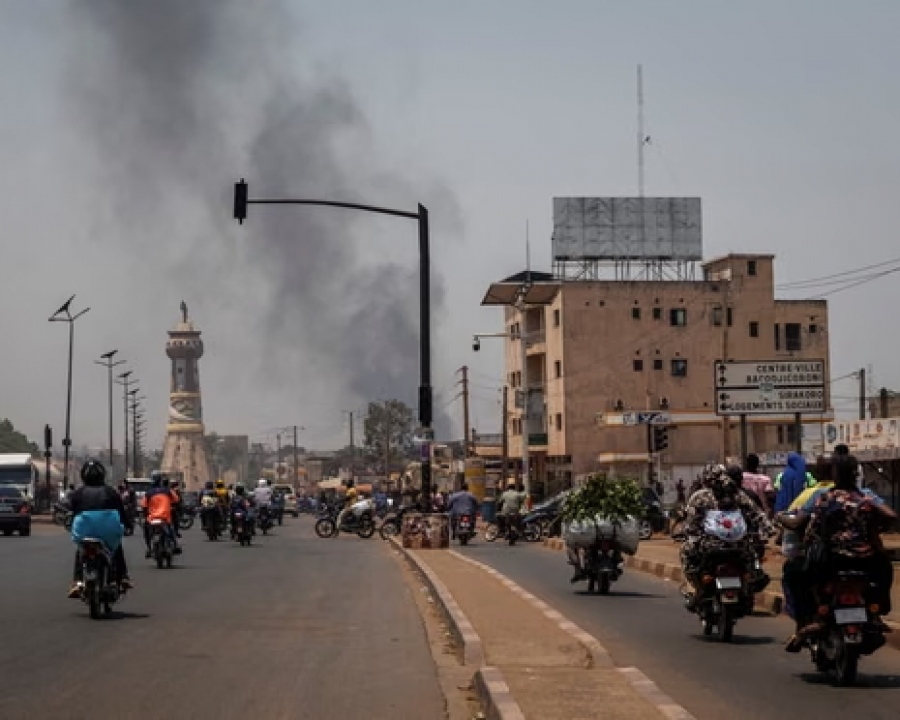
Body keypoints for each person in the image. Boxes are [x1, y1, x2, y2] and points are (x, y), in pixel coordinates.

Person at [781, 455, 896, 651]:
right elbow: (891, 515)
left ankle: (804, 621)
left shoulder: (823, 497)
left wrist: (780, 517)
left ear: (835, 473)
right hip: (865, 560)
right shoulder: (866, 497)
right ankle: (876, 612)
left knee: (793, 572)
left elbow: (797, 522)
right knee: (885, 568)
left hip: (830, 562)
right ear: (856, 473)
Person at [680, 464, 772, 609]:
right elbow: (757, 513)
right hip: (738, 545)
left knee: (687, 554)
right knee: (753, 557)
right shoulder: (737, 494)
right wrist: (768, 529)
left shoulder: (700, 497)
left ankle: (694, 589)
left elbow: (691, 522)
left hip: (710, 545)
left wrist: (690, 535)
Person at [68, 459, 134, 598]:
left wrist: (70, 525)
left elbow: (72, 513)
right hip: (108, 531)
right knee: (116, 548)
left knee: (80, 551)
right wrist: (128, 525)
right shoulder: (110, 492)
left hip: (83, 530)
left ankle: (77, 581)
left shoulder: (78, 493)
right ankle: (122, 577)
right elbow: (121, 513)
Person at [141, 473, 181, 557]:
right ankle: (175, 545)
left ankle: (148, 548)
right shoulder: (167, 491)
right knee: (171, 530)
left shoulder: (148, 493)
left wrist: (145, 516)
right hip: (165, 517)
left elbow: (144, 506)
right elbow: (176, 500)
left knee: (146, 532)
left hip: (152, 518)